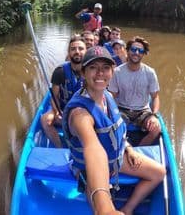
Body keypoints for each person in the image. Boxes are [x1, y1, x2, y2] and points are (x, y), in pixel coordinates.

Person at [62, 46, 165, 215]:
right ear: (83, 73)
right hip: (91, 170)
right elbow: (93, 149)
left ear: (112, 72)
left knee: (159, 173)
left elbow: (118, 131)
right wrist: (106, 208)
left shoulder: (107, 96)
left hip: (116, 158)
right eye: (93, 68)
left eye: (105, 68)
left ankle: (128, 208)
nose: (100, 73)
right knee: (101, 207)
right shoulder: (79, 114)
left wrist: (128, 148)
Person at [108, 36, 161, 146]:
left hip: (143, 111)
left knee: (156, 128)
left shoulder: (150, 72)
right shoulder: (117, 72)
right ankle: (126, 147)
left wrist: (154, 115)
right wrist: (110, 112)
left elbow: (155, 97)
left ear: (143, 54)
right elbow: (111, 96)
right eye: (133, 49)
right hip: (122, 109)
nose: (136, 52)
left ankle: (140, 150)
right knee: (110, 126)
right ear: (127, 51)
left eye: (140, 51)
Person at [40, 35, 86, 148]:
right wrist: (57, 112)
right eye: (73, 49)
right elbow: (54, 97)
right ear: (69, 52)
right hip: (64, 111)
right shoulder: (60, 72)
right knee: (45, 120)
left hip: (84, 112)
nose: (77, 52)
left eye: (80, 48)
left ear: (86, 51)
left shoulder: (91, 71)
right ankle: (60, 147)